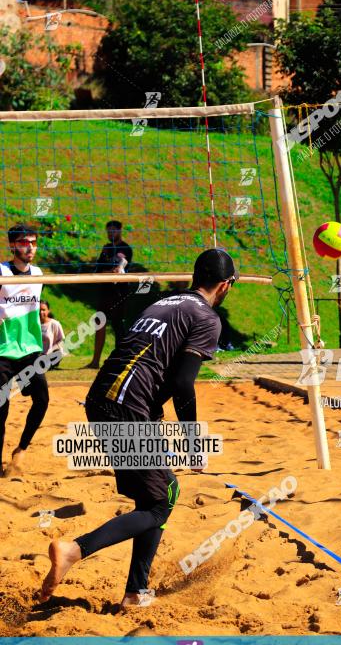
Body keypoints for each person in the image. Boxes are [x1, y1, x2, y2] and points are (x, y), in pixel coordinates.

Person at [40, 247, 238, 609]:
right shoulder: (207, 317)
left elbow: (146, 358)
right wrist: (193, 444)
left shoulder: (162, 304)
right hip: (126, 407)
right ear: (225, 285)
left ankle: (135, 592)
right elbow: (182, 383)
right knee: (160, 503)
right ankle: (74, 550)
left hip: (103, 397)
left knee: (159, 495)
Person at [0, 224, 49, 477]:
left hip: (30, 351)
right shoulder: (1, 272)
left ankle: (20, 449)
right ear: (12, 246)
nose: (29, 246)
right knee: (2, 407)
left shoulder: (39, 273)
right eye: (23, 242)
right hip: (3, 351)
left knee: (42, 400)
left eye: (33, 242)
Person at [86, 220, 133, 369]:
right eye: (108, 231)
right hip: (105, 292)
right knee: (99, 324)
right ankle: (95, 361)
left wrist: (108, 272)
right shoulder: (106, 248)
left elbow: (118, 270)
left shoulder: (125, 248)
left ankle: (120, 362)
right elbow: (97, 270)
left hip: (119, 293)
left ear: (120, 231)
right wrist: (107, 272)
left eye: (113, 230)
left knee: (118, 326)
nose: (110, 233)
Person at [40, 301, 65, 369]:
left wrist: (51, 350)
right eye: (39, 310)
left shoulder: (55, 324)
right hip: (38, 355)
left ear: (48, 311)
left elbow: (61, 342)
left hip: (51, 355)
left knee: (58, 353)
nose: (41, 312)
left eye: (43, 310)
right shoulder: (33, 324)